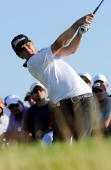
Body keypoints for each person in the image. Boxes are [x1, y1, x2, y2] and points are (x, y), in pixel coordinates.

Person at [11, 14, 96, 142]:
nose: (27, 49)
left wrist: (80, 33)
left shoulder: (45, 53)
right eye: (22, 49)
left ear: (32, 43)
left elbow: (70, 49)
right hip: (63, 104)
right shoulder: (33, 62)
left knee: (81, 143)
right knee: (61, 146)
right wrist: (77, 23)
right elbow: (60, 43)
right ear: (19, 55)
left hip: (83, 99)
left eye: (27, 45)